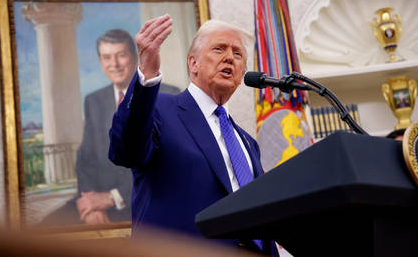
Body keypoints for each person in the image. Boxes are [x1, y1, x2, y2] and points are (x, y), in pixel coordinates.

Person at [109, 15, 277, 255]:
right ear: (193, 63)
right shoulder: (160, 109)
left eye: (237, 54)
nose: (229, 57)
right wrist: (146, 74)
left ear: (242, 74)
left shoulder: (247, 142)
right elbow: (125, 150)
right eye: (219, 49)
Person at [40, 29, 180, 225]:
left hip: (146, 200)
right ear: (100, 61)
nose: (114, 64)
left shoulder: (168, 94)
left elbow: (167, 163)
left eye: (121, 56)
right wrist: (89, 204)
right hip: (98, 199)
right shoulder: (94, 101)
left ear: (135, 57)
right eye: (106, 57)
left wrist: (113, 198)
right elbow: (85, 159)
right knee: (43, 229)